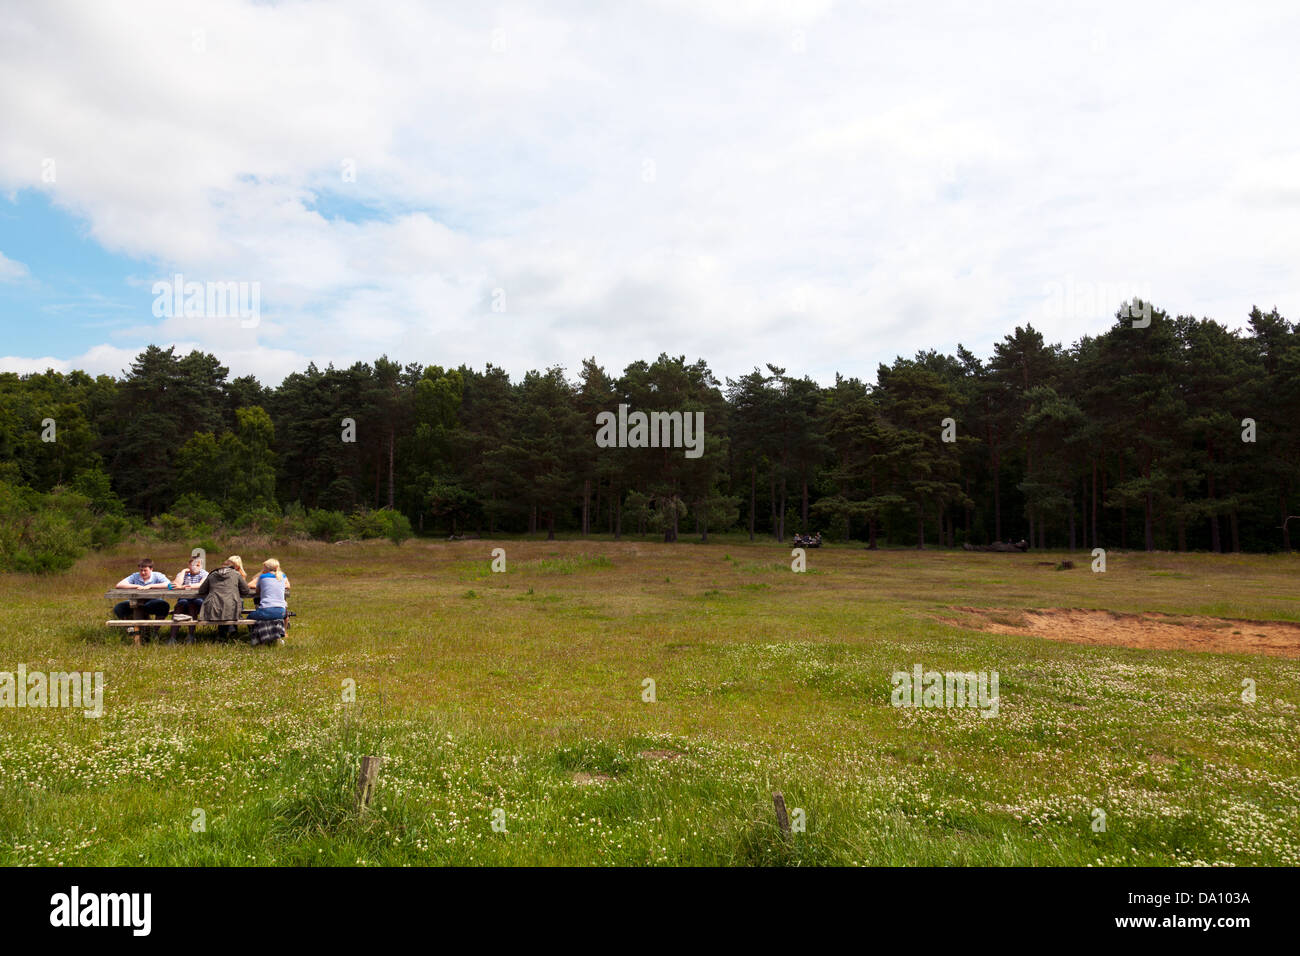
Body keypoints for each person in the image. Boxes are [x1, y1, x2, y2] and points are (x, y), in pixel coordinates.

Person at [113, 558, 172, 641]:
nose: (143, 573)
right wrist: (136, 586)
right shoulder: (135, 576)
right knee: (119, 608)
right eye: (141, 570)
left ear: (151, 569)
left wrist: (151, 586)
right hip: (136, 601)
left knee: (164, 606)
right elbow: (119, 585)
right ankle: (131, 630)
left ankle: (154, 632)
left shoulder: (158, 575)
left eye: (145, 570)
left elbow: (169, 584)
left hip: (153, 601)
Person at [197, 555, 252, 641]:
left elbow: (201, 590)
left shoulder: (212, 575)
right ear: (232, 567)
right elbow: (246, 591)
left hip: (213, 608)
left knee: (222, 605)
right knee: (229, 605)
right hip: (232, 607)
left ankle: (222, 634)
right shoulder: (236, 574)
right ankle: (231, 633)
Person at [248, 558, 290, 645]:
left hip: (265, 610)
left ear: (267, 568)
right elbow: (288, 586)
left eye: (264, 567)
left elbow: (257, 591)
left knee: (249, 617)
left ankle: (256, 637)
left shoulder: (262, 577)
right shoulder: (283, 576)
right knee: (280, 615)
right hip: (281, 612)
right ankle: (280, 635)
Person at [168, 555, 208, 644]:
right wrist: (183, 572)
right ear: (189, 565)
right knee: (180, 605)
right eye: (192, 565)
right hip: (184, 599)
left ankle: (190, 635)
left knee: (192, 606)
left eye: (197, 565)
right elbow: (175, 585)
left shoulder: (204, 574)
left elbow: (201, 585)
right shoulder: (183, 574)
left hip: (198, 600)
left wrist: (181, 587)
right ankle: (173, 637)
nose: (195, 567)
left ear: (201, 566)